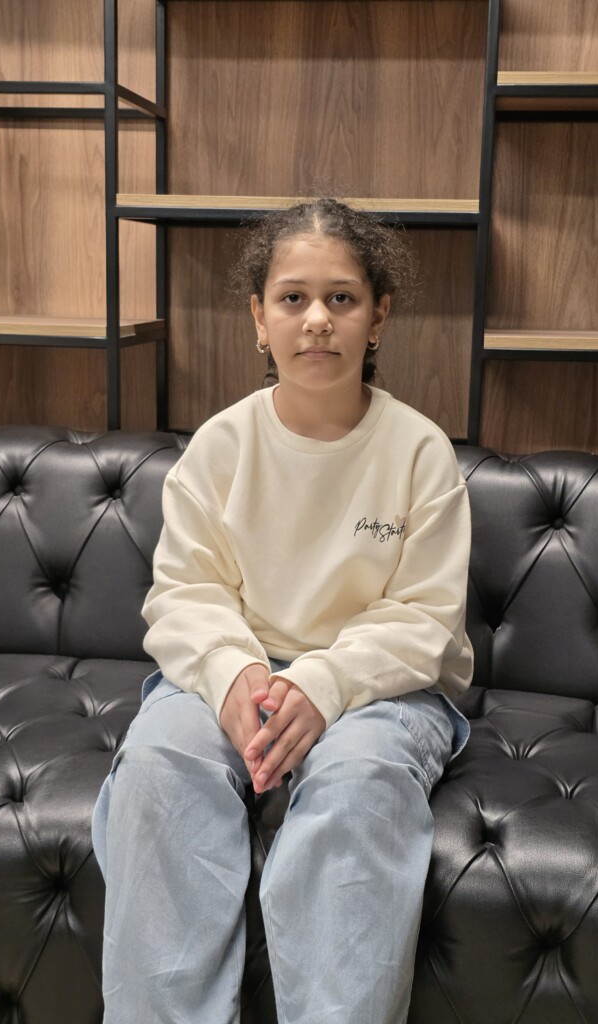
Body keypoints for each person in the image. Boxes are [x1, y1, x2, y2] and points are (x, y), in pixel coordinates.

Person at [92, 197, 474, 1024]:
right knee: (160, 765)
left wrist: (327, 684)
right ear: (257, 319)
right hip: (236, 676)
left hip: (382, 692)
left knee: (360, 781)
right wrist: (237, 678)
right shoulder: (220, 447)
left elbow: (422, 617)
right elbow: (187, 595)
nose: (317, 321)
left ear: (378, 318)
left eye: (342, 298)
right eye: (292, 298)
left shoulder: (420, 451)